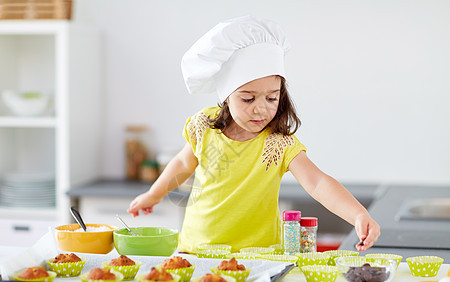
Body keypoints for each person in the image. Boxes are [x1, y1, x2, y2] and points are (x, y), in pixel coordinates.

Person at [127, 15, 380, 253]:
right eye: (248, 98)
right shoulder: (203, 126)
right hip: (197, 250)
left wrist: (358, 214)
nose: (261, 108)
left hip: (258, 257)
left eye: (272, 97)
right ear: (225, 96)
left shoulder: (279, 143)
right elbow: (182, 163)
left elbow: (317, 183)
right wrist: (154, 194)